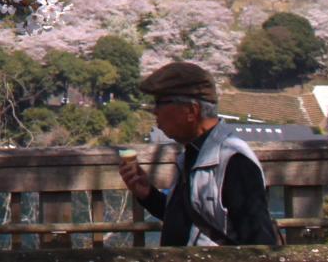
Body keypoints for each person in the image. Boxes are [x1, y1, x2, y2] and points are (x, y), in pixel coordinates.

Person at [116, 60, 281, 246]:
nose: (155, 111)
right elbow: (191, 221)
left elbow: (259, 243)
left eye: (161, 103)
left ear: (191, 111)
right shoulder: (192, 152)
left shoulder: (234, 161)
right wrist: (148, 194)